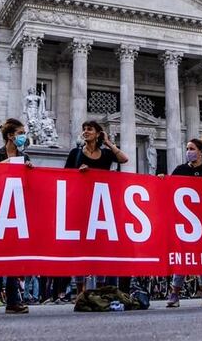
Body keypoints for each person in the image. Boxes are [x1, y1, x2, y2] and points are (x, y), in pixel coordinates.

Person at [63, 120, 129, 297]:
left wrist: (108, 142)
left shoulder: (106, 154)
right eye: (84, 129)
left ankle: (100, 288)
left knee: (101, 248)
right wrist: (79, 173)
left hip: (102, 207)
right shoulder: (76, 153)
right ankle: (80, 290)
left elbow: (124, 159)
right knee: (80, 248)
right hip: (80, 205)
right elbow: (65, 177)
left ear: (98, 133)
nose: (85, 132)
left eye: (90, 129)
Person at [163, 138, 202, 308]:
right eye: (187, 148)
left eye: (192, 148)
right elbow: (169, 188)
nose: (188, 151)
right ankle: (175, 292)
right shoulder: (180, 170)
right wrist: (162, 180)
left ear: (201, 152)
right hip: (184, 222)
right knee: (183, 257)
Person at [0, 118, 33, 315]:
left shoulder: (24, 156)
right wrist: (7, 163)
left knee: (13, 257)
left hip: (15, 211)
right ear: (11, 135)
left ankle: (12, 301)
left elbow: (27, 187)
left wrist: (30, 173)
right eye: (21, 133)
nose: (23, 136)